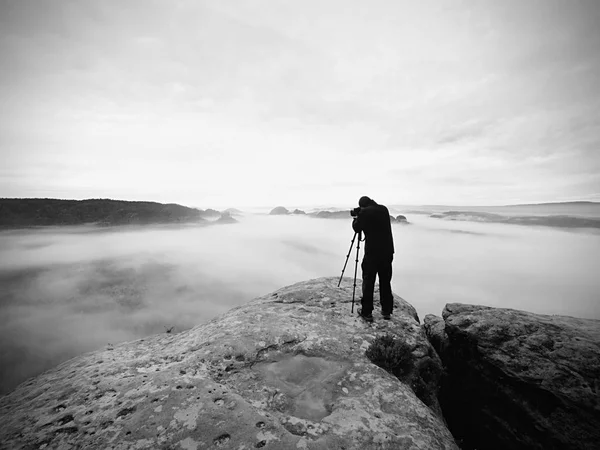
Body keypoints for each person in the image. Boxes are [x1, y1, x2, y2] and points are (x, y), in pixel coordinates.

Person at [352, 196, 394, 322]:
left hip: (372, 254)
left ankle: (367, 312)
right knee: (385, 281)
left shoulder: (364, 212)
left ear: (363, 206)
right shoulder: (384, 209)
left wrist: (356, 218)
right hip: (387, 252)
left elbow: (356, 228)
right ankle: (386, 311)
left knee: (369, 281)